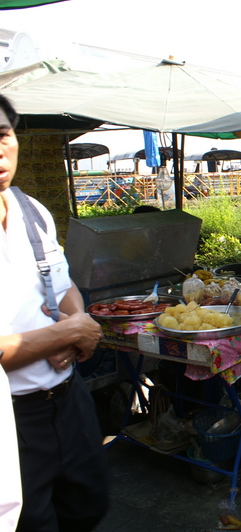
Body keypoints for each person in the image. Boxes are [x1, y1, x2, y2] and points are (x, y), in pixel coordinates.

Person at [0, 94, 110, 530]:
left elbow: (62, 287)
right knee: (33, 521)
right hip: (12, 417)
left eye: (3, 135)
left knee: (88, 503)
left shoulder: (32, 211)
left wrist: (74, 322)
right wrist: (70, 334)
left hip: (67, 399)